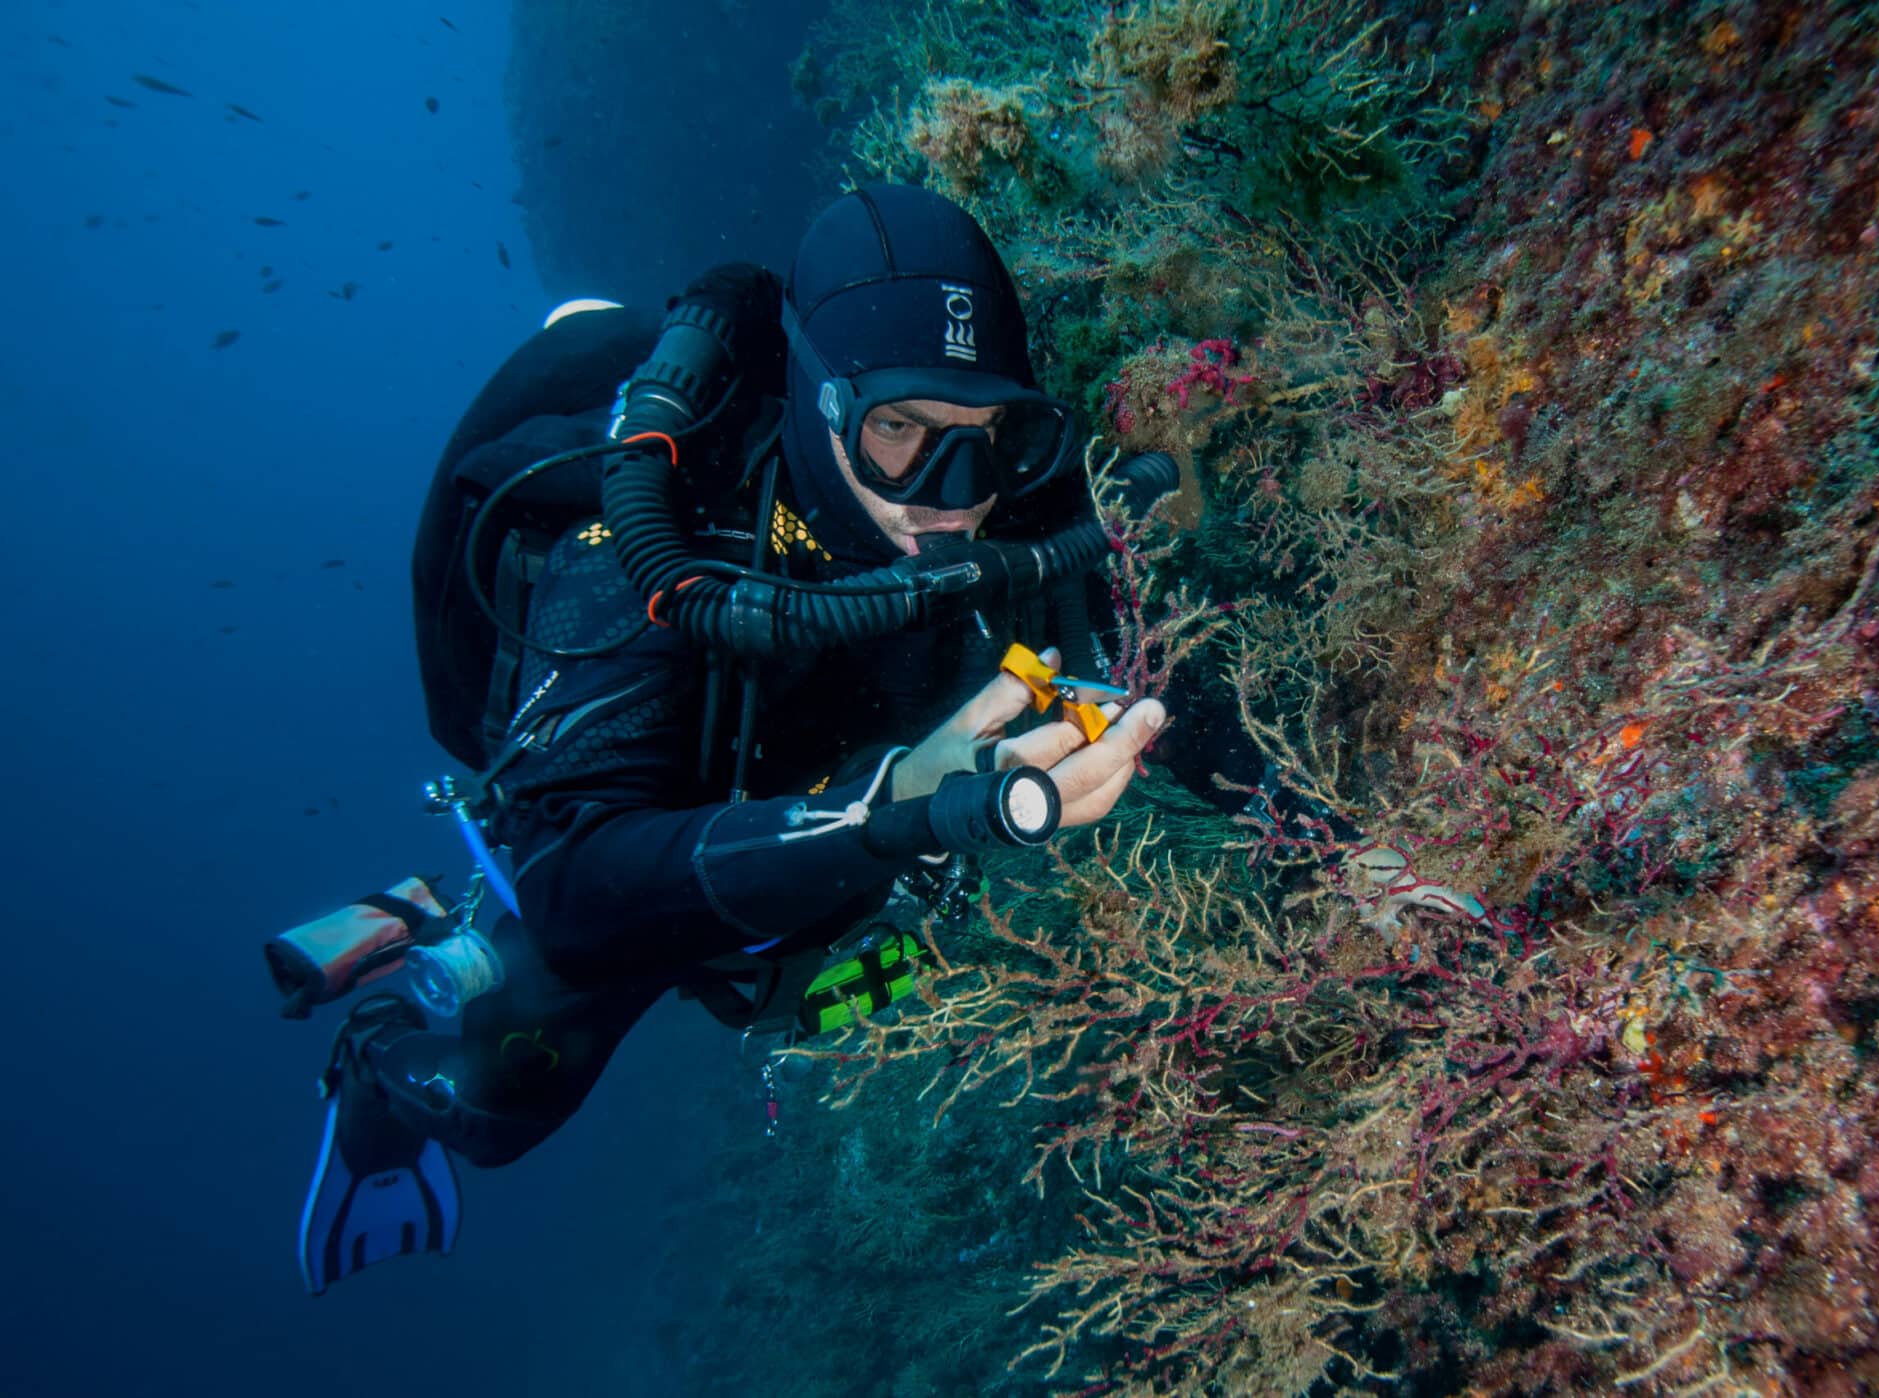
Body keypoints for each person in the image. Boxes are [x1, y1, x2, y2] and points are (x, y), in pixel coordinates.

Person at [288, 185, 1238, 1294]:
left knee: (835, 984)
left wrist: (1331, 827)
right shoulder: (657, 540)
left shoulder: (1007, 508)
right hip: (662, 833)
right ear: (817, 403)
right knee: (502, 1105)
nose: (952, 500)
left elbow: (1153, 686)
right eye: (898, 431)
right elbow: (574, 887)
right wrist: (879, 814)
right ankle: (395, 1028)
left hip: (857, 839)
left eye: (989, 438)